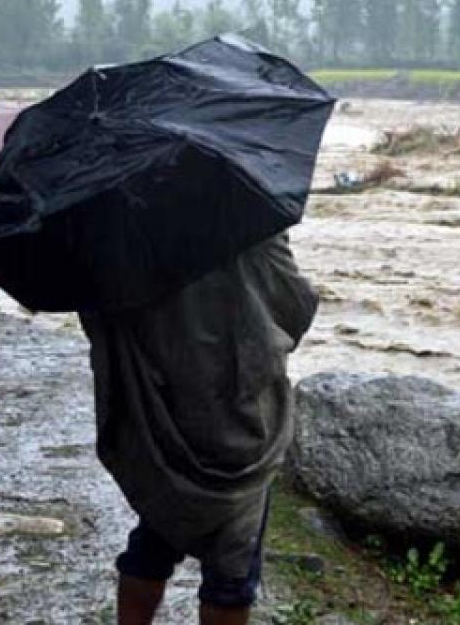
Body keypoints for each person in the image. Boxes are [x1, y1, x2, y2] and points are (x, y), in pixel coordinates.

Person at [79, 233, 318, 625]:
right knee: (232, 567)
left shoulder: (121, 227)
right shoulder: (250, 216)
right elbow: (295, 305)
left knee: (156, 530)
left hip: (159, 417)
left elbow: (100, 315)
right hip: (240, 420)